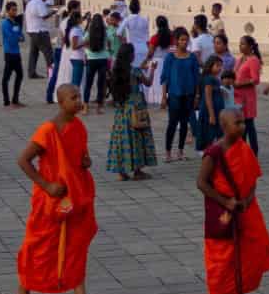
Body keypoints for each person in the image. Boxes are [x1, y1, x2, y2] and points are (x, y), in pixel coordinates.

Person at [13, 83, 102, 294]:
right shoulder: (47, 130)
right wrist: (47, 185)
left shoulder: (78, 126)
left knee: (77, 246)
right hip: (51, 199)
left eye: (79, 96)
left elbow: (80, 157)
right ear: (61, 102)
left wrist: (86, 163)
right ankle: (23, 292)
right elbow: (23, 160)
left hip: (76, 196)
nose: (79, 101)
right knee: (38, 245)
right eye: (73, 97)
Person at [199, 106, 269, 294]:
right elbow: (201, 183)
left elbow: (252, 180)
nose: (242, 127)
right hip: (222, 212)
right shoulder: (214, 153)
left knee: (252, 248)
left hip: (244, 209)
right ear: (224, 126)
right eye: (238, 123)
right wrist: (226, 202)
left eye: (243, 122)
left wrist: (246, 201)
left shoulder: (244, 148)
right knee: (221, 257)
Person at [105, 44, 156, 181]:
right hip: (136, 107)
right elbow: (148, 83)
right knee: (137, 137)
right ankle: (137, 171)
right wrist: (152, 70)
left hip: (122, 110)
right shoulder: (135, 71)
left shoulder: (115, 72)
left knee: (121, 138)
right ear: (130, 56)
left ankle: (121, 172)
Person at [163, 29, 199, 160]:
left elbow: (196, 77)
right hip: (174, 94)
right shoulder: (170, 57)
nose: (184, 42)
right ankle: (168, 152)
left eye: (186, 40)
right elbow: (165, 77)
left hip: (189, 94)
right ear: (176, 41)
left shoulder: (192, 57)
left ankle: (180, 151)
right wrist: (163, 96)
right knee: (172, 123)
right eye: (182, 40)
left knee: (184, 123)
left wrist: (197, 95)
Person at [234, 35, 264, 154]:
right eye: (240, 44)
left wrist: (240, 84)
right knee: (241, 126)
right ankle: (242, 151)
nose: (240, 46)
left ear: (250, 46)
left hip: (247, 97)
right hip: (237, 96)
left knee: (249, 125)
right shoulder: (240, 59)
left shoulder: (253, 60)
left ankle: (253, 152)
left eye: (243, 44)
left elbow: (255, 80)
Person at [81, 14, 112, 112]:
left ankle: (85, 106)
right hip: (103, 59)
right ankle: (99, 107)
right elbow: (109, 43)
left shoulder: (89, 32)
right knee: (100, 84)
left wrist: (88, 48)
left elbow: (83, 41)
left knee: (88, 84)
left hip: (91, 59)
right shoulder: (105, 32)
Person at [0, 3, 26, 107]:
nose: (15, 12)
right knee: (6, 77)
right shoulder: (5, 23)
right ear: (8, 11)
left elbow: (21, 36)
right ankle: (6, 101)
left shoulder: (15, 23)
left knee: (20, 75)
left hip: (16, 52)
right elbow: (11, 38)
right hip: (9, 53)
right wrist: (18, 37)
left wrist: (19, 37)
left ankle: (15, 99)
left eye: (16, 10)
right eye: (13, 10)